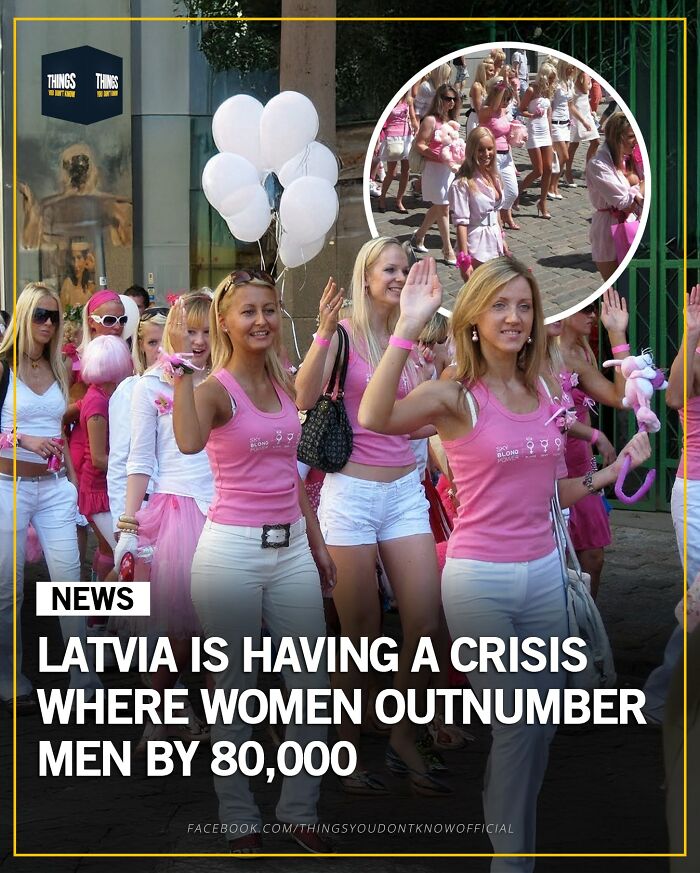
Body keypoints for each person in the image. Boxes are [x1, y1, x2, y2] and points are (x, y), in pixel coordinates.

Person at [357, 254, 650, 872]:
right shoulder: (454, 395)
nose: (514, 317)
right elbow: (374, 417)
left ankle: (505, 833)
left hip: (545, 575)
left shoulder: (542, 387)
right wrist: (407, 326)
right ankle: (512, 863)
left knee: (536, 730)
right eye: (500, 304)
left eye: (523, 305)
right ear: (473, 316)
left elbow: (548, 495)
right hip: (479, 582)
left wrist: (613, 470)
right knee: (519, 720)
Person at [170, 270, 335, 854]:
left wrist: (315, 542)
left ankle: (300, 810)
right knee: (237, 691)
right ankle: (239, 818)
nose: (261, 320)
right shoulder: (214, 388)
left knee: (313, 684)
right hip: (231, 555)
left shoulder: (284, 381)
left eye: (269, 309)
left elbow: (289, 475)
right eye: (248, 311)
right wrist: (182, 384)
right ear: (226, 322)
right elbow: (189, 443)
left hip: (290, 546)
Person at [295, 238, 447, 798]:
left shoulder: (415, 341)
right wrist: (320, 332)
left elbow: (405, 418)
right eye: (390, 268)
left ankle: (404, 737)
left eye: (406, 269)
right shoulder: (343, 336)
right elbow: (304, 396)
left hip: (405, 495)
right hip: (351, 496)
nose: (400, 276)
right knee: (361, 636)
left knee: (426, 626)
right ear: (366, 277)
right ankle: (347, 745)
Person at [113, 291, 213, 748]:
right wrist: (128, 526)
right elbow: (140, 461)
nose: (198, 341)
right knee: (174, 625)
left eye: (207, 332)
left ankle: (218, 715)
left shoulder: (222, 380)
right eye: (189, 331)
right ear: (172, 330)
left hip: (224, 509)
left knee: (219, 623)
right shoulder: (147, 387)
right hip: (175, 511)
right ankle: (161, 712)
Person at [0, 283, 101, 714]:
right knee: (10, 587)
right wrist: (22, 437)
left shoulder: (60, 366)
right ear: (23, 315)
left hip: (55, 487)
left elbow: (65, 432)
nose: (48, 323)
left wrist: (75, 483)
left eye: (55, 316)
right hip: (9, 486)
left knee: (71, 582)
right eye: (40, 314)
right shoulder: (3, 368)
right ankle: (9, 676)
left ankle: (83, 676)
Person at [643, 283, 700, 723]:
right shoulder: (694, 357)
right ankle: (664, 698)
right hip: (696, 494)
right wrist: (691, 334)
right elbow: (677, 398)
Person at [558, 295, 630, 598]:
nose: (593, 315)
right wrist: (594, 434)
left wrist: (617, 335)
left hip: (582, 465)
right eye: (586, 308)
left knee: (593, 559)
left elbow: (622, 397)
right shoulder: (536, 355)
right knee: (558, 561)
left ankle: (585, 630)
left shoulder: (579, 355)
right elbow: (548, 416)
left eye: (594, 309)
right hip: (553, 469)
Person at [107, 306, 168, 536]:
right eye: (153, 343)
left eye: (167, 340)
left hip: (184, 501)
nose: (161, 350)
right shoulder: (129, 390)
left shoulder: (193, 387)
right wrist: (120, 520)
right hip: (143, 504)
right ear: (141, 346)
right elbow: (119, 458)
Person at [78, 335, 134, 579]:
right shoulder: (98, 402)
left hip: (106, 487)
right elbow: (99, 458)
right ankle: (97, 616)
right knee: (123, 554)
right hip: (99, 490)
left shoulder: (105, 395)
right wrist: (135, 468)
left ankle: (99, 615)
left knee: (113, 552)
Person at [585, 112, 644, 281]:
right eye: (631, 136)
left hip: (632, 224)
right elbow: (624, 203)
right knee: (616, 286)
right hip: (608, 228)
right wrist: (641, 186)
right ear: (617, 137)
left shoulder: (631, 158)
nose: (636, 141)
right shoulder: (598, 164)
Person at [411, 84, 461, 265]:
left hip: (448, 169)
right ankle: (447, 249)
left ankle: (418, 236)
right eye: (448, 98)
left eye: (454, 99)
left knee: (440, 207)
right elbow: (420, 144)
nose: (452, 102)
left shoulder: (451, 121)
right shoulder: (431, 120)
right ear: (440, 99)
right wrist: (437, 155)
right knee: (444, 207)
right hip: (434, 169)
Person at [449, 127, 506, 281]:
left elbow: (496, 211)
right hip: (476, 242)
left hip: (494, 239)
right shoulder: (462, 183)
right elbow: (461, 223)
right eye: (480, 150)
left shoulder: (493, 175)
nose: (486, 154)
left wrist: (502, 238)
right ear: (472, 150)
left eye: (490, 149)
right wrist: (464, 258)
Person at [478, 76, 520, 230]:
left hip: (506, 153)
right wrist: (501, 88)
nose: (506, 103)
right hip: (491, 155)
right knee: (496, 191)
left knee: (512, 191)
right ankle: (497, 222)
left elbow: (506, 128)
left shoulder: (502, 110)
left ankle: (504, 213)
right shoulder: (485, 110)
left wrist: (516, 132)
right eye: (504, 99)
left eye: (508, 99)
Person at [518, 62, 557, 219]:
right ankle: (517, 192)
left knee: (549, 168)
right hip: (534, 129)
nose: (552, 81)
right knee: (538, 170)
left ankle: (542, 202)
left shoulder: (547, 91)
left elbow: (548, 114)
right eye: (551, 78)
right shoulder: (531, 90)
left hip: (545, 132)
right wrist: (532, 115)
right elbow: (521, 109)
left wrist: (551, 132)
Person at [376, 93, 416, 214]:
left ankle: (399, 201)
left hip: (406, 138)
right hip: (392, 138)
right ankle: (382, 198)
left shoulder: (408, 101)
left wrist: (415, 125)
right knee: (392, 173)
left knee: (406, 171)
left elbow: (414, 120)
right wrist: (378, 141)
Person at [565, 69, 600, 180]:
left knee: (596, 142)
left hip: (586, 110)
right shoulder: (581, 75)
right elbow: (585, 90)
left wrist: (591, 110)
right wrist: (588, 78)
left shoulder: (584, 75)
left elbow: (586, 96)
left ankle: (587, 170)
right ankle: (568, 171)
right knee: (574, 144)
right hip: (578, 111)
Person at [548, 60, 575, 200]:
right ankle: (551, 184)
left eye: (573, 68)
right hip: (556, 124)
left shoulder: (569, 84)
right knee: (564, 156)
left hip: (566, 124)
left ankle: (554, 185)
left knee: (561, 159)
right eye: (570, 68)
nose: (572, 70)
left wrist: (581, 120)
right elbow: (550, 105)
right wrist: (549, 126)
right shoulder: (556, 84)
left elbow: (570, 105)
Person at [60, 238, 96, 308]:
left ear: (86, 260)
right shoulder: (67, 284)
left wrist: (93, 269)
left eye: (79, 258)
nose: (76, 264)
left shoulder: (92, 287)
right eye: (73, 259)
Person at [466, 58, 495, 135]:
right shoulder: (477, 87)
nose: (493, 73)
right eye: (491, 70)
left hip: (485, 118)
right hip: (476, 119)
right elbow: (478, 109)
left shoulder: (486, 86)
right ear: (483, 72)